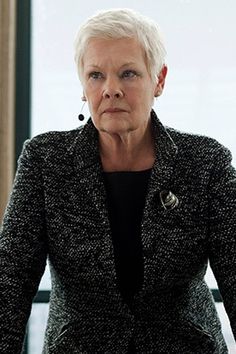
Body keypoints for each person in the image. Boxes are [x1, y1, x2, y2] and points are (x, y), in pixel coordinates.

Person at [0, 7, 235, 354]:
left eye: (128, 73)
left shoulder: (206, 162)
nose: (111, 89)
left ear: (159, 79)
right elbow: (10, 281)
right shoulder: (45, 160)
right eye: (96, 75)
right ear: (83, 84)